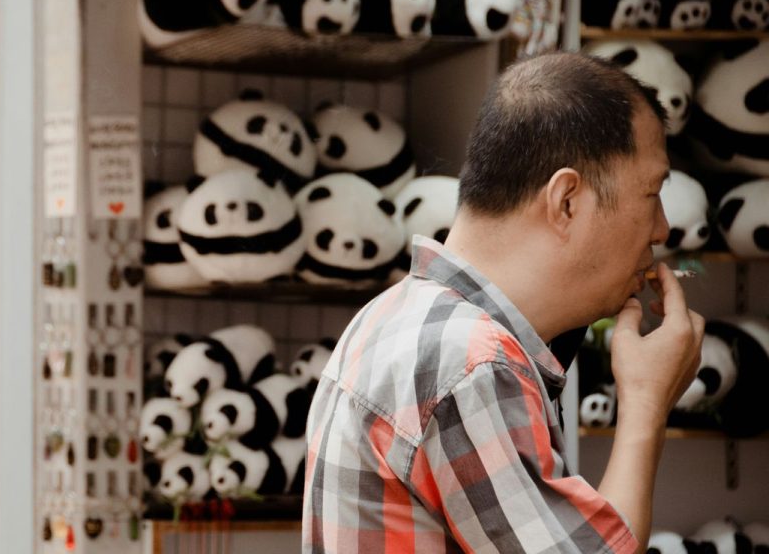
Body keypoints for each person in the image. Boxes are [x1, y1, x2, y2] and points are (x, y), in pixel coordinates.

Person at [301, 51, 704, 554]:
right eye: (652, 193)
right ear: (567, 201)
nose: (663, 229)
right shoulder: (471, 363)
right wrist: (646, 401)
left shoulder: (391, 315)